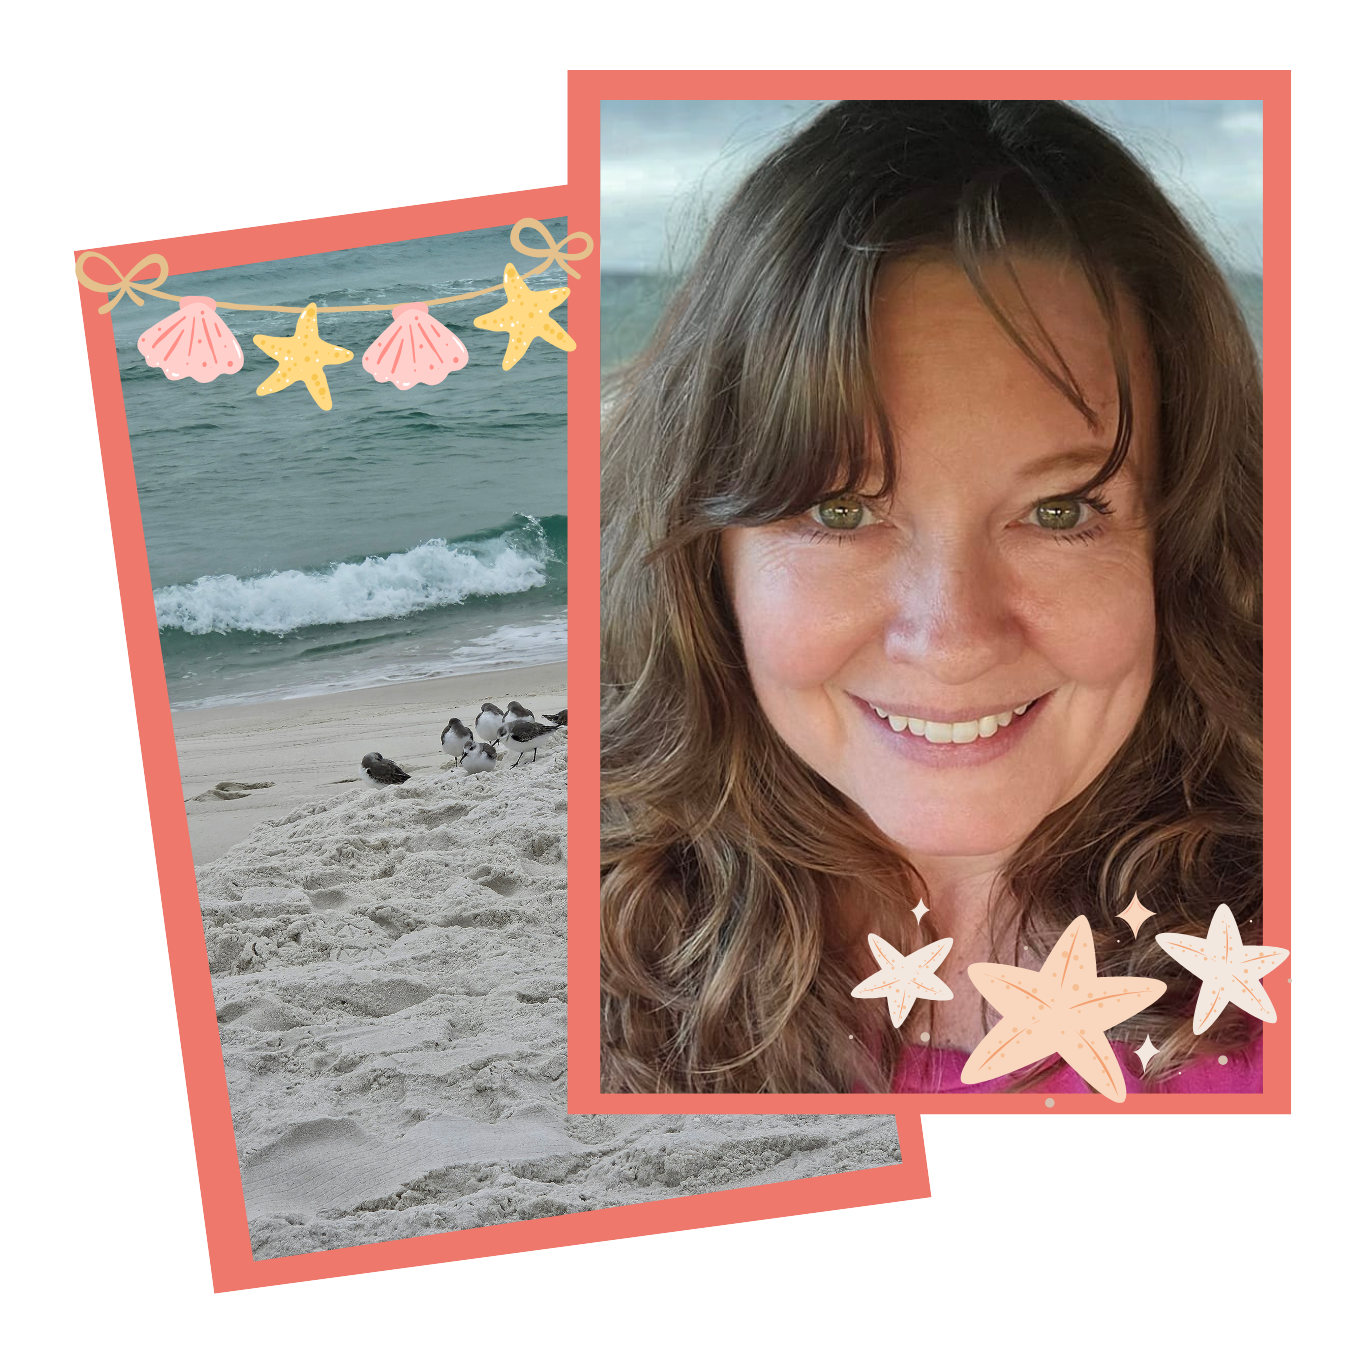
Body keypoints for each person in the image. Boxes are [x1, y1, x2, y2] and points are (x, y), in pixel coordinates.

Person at [600, 100, 1262, 1094]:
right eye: (836, 510)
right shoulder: (591, 960)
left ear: (1180, 544)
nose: (952, 638)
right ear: (710, 561)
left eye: (1061, 510)